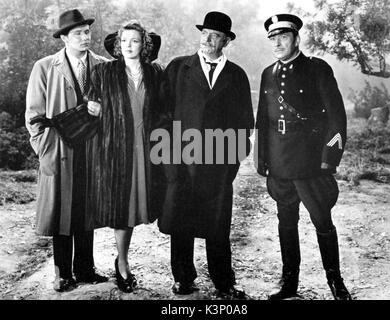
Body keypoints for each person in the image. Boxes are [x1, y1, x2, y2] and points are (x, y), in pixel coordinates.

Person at [255, 13, 352, 300]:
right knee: (286, 223)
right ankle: (289, 283)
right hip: (280, 161)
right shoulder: (267, 74)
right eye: (273, 38)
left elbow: (336, 117)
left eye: (283, 36)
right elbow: (263, 119)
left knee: (322, 220)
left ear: (296, 38)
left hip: (310, 161)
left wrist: (329, 158)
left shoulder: (317, 69)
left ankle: (336, 282)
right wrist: (262, 158)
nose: (277, 43)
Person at [158, 11, 254, 299]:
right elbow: (161, 116)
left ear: (226, 41)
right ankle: (183, 279)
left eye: (214, 36)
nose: (207, 39)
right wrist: (170, 161)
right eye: (204, 33)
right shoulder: (178, 68)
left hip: (218, 164)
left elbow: (244, 124)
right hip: (181, 161)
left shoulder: (236, 75)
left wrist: (230, 165)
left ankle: (224, 282)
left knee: (218, 225)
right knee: (181, 223)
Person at [25, 9, 108, 292]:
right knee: (61, 208)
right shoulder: (46, 67)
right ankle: (62, 272)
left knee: (87, 208)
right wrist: (45, 149)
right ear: (63, 38)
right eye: (77, 34)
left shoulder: (103, 66)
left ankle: (86, 269)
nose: (85, 38)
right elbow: (34, 115)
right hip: (58, 150)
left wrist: (103, 110)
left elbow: (117, 107)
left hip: (92, 147)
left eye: (87, 32)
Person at [86, 21, 164, 293]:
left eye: (135, 41)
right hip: (115, 148)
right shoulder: (103, 72)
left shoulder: (155, 73)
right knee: (121, 206)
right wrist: (91, 105)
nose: (129, 45)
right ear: (118, 45)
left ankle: (122, 256)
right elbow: (90, 104)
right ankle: (123, 263)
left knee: (137, 205)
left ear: (144, 45)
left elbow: (165, 109)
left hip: (147, 147)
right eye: (125, 41)